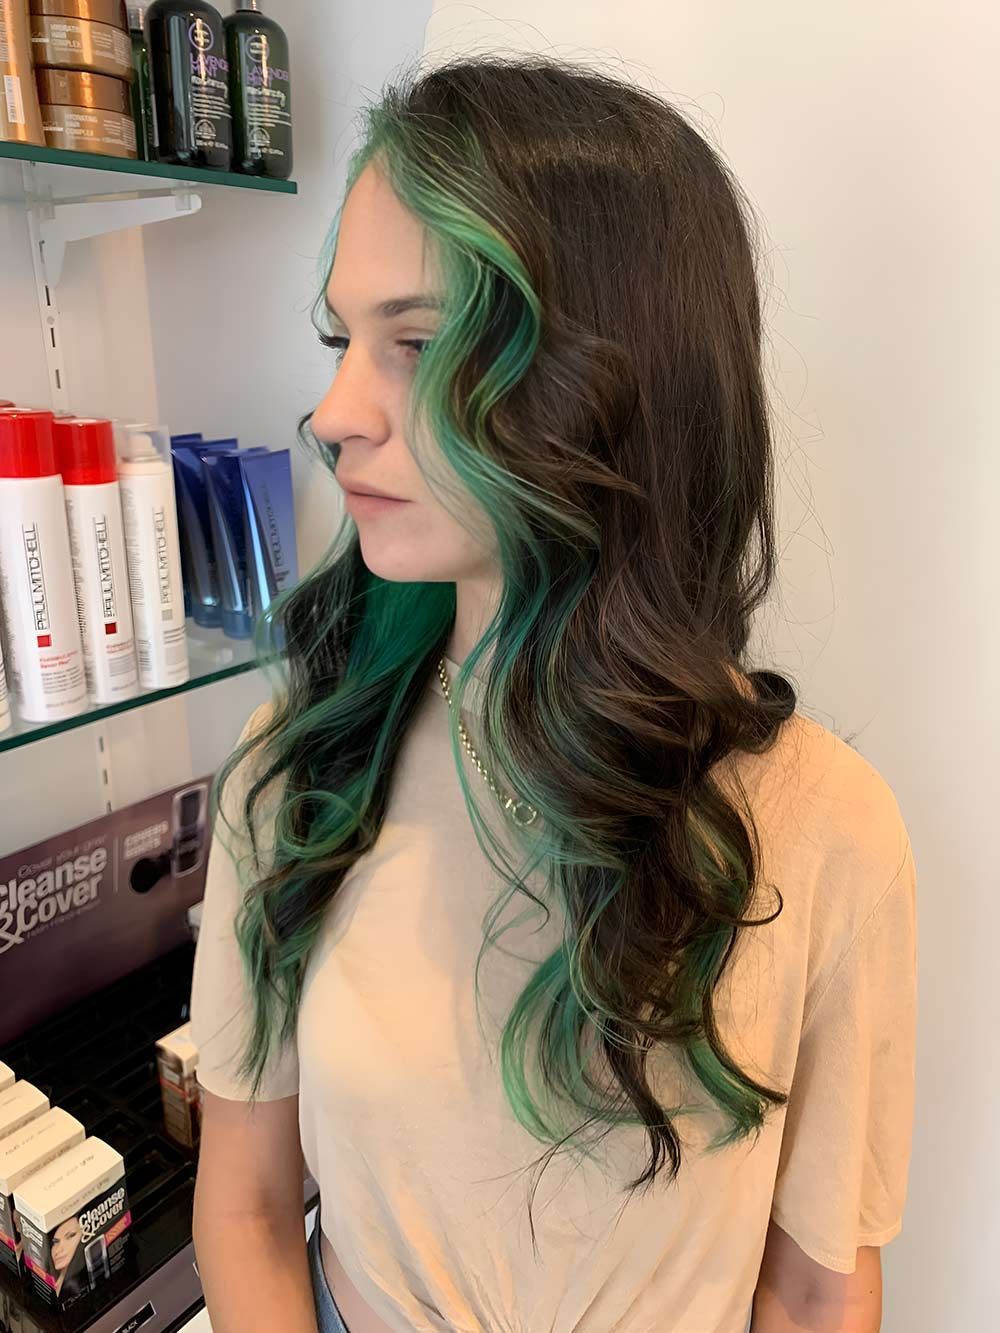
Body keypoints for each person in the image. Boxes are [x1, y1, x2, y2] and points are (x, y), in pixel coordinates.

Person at [190, 57, 917, 1333]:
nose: (332, 411)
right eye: (340, 340)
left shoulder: (823, 828)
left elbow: (813, 1285)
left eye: (415, 345)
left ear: (609, 380)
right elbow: (248, 1204)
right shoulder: (301, 771)